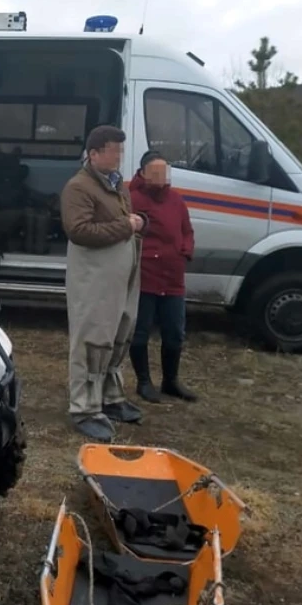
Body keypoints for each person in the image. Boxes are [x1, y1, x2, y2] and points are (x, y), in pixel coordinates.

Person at [60, 125, 147, 442]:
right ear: (94, 154)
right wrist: (126, 226)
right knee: (92, 337)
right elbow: (79, 230)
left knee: (119, 331)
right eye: (113, 150)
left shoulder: (116, 185)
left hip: (120, 274)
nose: (119, 156)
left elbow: (123, 220)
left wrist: (137, 223)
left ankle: (110, 398)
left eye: (120, 150)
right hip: (94, 276)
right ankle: (83, 407)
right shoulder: (78, 187)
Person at [128, 151, 199, 404]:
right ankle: (144, 382)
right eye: (154, 171)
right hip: (146, 276)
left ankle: (171, 381)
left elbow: (187, 231)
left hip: (173, 278)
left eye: (164, 171)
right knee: (140, 331)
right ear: (143, 173)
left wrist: (185, 252)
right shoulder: (132, 198)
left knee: (175, 332)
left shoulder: (176, 200)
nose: (160, 177)